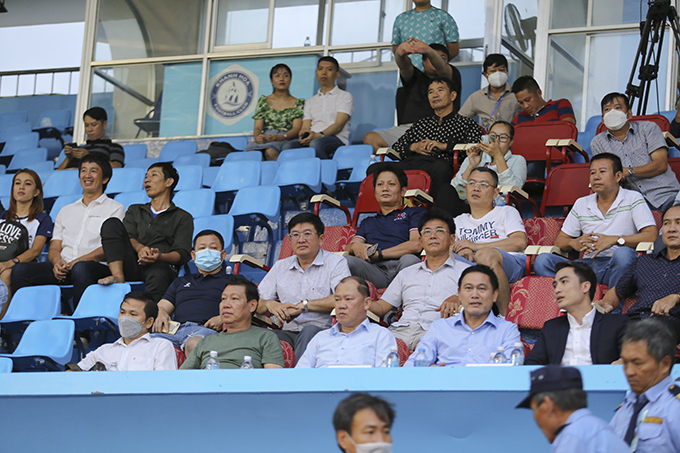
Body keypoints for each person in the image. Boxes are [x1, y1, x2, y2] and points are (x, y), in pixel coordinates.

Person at [11, 155, 125, 309]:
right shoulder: (66, 210)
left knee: (81, 268)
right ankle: (23, 322)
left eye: (93, 171)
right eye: (83, 170)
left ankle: (81, 327)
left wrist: (77, 261)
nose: (87, 175)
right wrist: (57, 262)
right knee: (21, 270)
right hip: (64, 268)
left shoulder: (116, 209)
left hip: (95, 267)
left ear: (105, 179)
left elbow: (111, 248)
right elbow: (54, 247)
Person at [533, 153, 658, 288]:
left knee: (623, 254)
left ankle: (613, 306)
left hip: (616, 265)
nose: (596, 177)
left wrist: (616, 240)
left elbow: (651, 235)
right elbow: (560, 242)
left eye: (602, 172)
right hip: (586, 267)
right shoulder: (582, 203)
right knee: (542, 260)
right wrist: (573, 243)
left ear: (618, 176)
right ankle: (571, 302)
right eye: (593, 173)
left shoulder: (633, 198)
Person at [369, 208, 472, 350]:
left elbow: (480, 299)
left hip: (436, 333)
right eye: (427, 232)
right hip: (399, 332)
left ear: (452, 239)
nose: (433, 236)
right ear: (421, 240)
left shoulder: (466, 272)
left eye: (440, 231)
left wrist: (459, 298)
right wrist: (361, 303)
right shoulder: (407, 273)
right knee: (369, 351)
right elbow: (381, 307)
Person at [258, 213, 351, 361]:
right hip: (289, 330)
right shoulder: (280, 266)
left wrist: (304, 306)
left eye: (307, 234)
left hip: (323, 329)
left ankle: (300, 382)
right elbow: (256, 304)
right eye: (295, 235)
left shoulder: (336, 263)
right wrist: (270, 304)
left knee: (309, 331)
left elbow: (344, 298)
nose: (301, 240)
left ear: (321, 239)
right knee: (266, 338)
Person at [385, 77, 483, 217]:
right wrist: (414, 146)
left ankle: (435, 214)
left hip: (441, 164)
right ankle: (387, 213)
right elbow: (396, 148)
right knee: (376, 169)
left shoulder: (466, 124)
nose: (435, 95)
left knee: (440, 169)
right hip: (412, 163)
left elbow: (475, 148)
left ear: (453, 96)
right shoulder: (422, 124)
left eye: (440, 90)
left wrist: (444, 146)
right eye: (431, 92)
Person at [98, 162, 193, 302]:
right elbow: (128, 236)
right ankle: (117, 276)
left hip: (161, 266)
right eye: (145, 177)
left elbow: (182, 254)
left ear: (169, 182)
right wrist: (140, 248)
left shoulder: (183, 217)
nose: (146, 180)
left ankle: (153, 319)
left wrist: (160, 256)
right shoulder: (135, 210)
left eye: (153, 175)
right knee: (111, 224)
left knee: (159, 273)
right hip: (132, 263)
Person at [403, 264, 520, 366]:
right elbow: (411, 366)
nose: (475, 295)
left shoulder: (507, 330)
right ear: (459, 294)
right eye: (468, 288)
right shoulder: (440, 327)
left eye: (482, 289)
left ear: (495, 295)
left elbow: (512, 371)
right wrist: (430, 371)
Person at [599, 204, 680, 343]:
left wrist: (676, 297)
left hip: (669, 322)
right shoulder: (645, 262)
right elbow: (618, 291)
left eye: (679, 223)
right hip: (634, 321)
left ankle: (623, 362)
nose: (671, 229)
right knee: (599, 332)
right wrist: (607, 302)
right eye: (666, 223)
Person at [452, 167, 528, 315]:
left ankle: (504, 317)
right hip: (473, 265)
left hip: (510, 262)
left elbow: (519, 242)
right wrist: (461, 249)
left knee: (485, 255)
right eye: (472, 183)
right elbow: (449, 247)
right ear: (466, 188)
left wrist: (476, 247)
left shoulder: (506, 212)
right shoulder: (458, 221)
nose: (476, 188)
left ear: (495, 192)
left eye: (483, 185)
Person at [363, 40, 462, 151]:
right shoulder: (415, 77)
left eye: (443, 58)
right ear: (423, 62)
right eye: (431, 57)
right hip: (409, 129)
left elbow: (442, 68)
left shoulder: (451, 77)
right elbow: (404, 66)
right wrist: (399, 54)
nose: (437, 60)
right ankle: (397, 164)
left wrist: (429, 51)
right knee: (371, 138)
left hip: (440, 128)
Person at [525, 261, 628, 365]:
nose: (557, 290)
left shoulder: (616, 325)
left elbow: (632, 360)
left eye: (564, 282)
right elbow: (531, 364)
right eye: (555, 285)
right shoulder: (551, 327)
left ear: (585, 287)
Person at [591, 92, 680, 211]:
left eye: (618, 108)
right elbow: (606, 178)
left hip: (665, 196)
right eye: (607, 109)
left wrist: (629, 171)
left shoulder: (648, 129)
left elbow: (661, 164)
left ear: (629, 114)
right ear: (602, 118)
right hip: (630, 204)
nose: (612, 113)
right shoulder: (598, 142)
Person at [151, 230, 232, 357]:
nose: (207, 251)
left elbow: (247, 307)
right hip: (174, 331)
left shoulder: (233, 282)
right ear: (193, 256)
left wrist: (224, 318)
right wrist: (160, 313)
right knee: (143, 344)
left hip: (205, 330)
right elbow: (162, 306)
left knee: (193, 344)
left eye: (213, 248)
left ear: (222, 255)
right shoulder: (180, 282)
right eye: (202, 248)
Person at [345, 164, 424, 288]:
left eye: (391, 184)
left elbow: (416, 244)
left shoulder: (414, 213)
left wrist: (379, 254)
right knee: (346, 261)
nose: (385, 189)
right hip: (376, 272)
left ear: (403, 191)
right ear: (375, 191)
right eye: (380, 184)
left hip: (402, 267)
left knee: (410, 259)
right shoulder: (368, 222)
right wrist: (357, 248)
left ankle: (403, 301)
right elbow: (350, 245)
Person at [516, 366, 629, 453]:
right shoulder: (597, 427)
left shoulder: (573, 436)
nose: (535, 417)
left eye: (534, 409)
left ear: (547, 404)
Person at [180, 275, 284, 369]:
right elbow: (182, 378)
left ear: (252, 305)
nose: (226, 304)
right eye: (223, 299)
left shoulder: (266, 338)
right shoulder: (205, 341)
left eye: (234, 298)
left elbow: (274, 379)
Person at [609, 319, 680, 451]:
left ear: (664, 364)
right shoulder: (627, 407)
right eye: (625, 363)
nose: (629, 371)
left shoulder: (675, 407)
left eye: (638, 363)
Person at [297, 277, 397, 368]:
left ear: (366, 303)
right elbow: (300, 377)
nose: (341, 306)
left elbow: (385, 379)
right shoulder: (321, 338)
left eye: (348, 299)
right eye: (337, 300)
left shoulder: (381, 336)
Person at [72, 291, 177, 371]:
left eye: (133, 314)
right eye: (122, 312)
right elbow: (73, 374)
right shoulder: (104, 351)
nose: (125, 318)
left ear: (149, 322)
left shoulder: (160, 347)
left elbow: (164, 383)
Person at [281, 57, 353, 159]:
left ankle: (325, 173)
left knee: (317, 144)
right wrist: (305, 135)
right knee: (288, 146)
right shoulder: (310, 101)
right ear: (316, 73)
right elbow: (305, 126)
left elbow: (338, 125)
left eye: (329, 69)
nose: (324, 73)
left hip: (336, 138)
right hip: (313, 137)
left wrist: (318, 135)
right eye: (320, 69)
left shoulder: (345, 96)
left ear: (337, 74)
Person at [0, 169, 53, 303]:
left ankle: (3, 320)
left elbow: (35, 251)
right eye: (17, 183)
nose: (21, 187)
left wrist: (11, 263)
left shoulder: (42, 219)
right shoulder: (1, 217)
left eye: (28, 184)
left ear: (36, 192)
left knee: (6, 273)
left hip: (21, 265)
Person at [451, 121, 527, 201]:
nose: (496, 141)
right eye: (493, 136)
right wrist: (471, 166)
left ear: (511, 142)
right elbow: (454, 187)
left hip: (497, 204)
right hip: (469, 202)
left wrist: (498, 156)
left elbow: (514, 189)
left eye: (503, 137)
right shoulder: (475, 157)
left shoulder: (517, 160)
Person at [244, 63, 304, 161]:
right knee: (253, 153)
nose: (281, 79)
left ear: (290, 80)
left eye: (286, 75)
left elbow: (296, 128)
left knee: (270, 151)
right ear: (271, 81)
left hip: (286, 138)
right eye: (277, 76)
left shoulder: (298, 102)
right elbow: (258, 127)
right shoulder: (264, 101)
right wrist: (257, 137)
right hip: (267, 137)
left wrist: (280, 137)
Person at [458, 54, 523, 131]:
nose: (498, 74)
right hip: (490, 140)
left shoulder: (517, 92)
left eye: (502, 70)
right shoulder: (477, 97)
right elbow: (460, 121)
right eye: (493, 71)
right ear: (485, 74)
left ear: (507, 71)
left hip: (515, 138)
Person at [392, 0, 459, 70]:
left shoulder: (444, 17)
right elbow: (397, 50)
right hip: (410, 77)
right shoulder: (401, 19)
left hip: (436, 76)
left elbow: (454, 50)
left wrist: (437, 65)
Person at [57, 106, 124, 170]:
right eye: (86, 125)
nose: (89, 129)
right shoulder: (80, 149)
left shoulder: (114, 147)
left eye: (94, 125)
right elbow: (56, 174)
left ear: (104, 124)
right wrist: (69, 158)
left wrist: (89, 157)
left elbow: (117, 167)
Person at [511, 76, 575, 125]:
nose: (525, 106)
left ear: (539, 93)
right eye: (521, 103)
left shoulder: (560, 105)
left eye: (528, 100)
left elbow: (567, 130)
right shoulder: (518, 119)